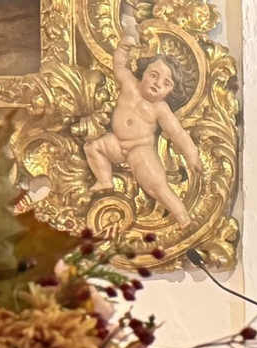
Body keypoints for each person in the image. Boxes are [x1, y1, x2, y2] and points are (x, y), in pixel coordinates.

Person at [83, 17, 202, 226]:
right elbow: (119, 65)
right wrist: (123, 48)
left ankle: (182, 217)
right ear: (143, 72)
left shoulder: (160, 108)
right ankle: (104, 181)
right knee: (93, 147)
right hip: (116, 142)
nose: (157, 84)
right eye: (154, 75)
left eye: (166, 83)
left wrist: (191, 154)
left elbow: (177, 133)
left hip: (140, 150)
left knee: (156, 186)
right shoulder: (129, 84)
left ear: (170, 92)